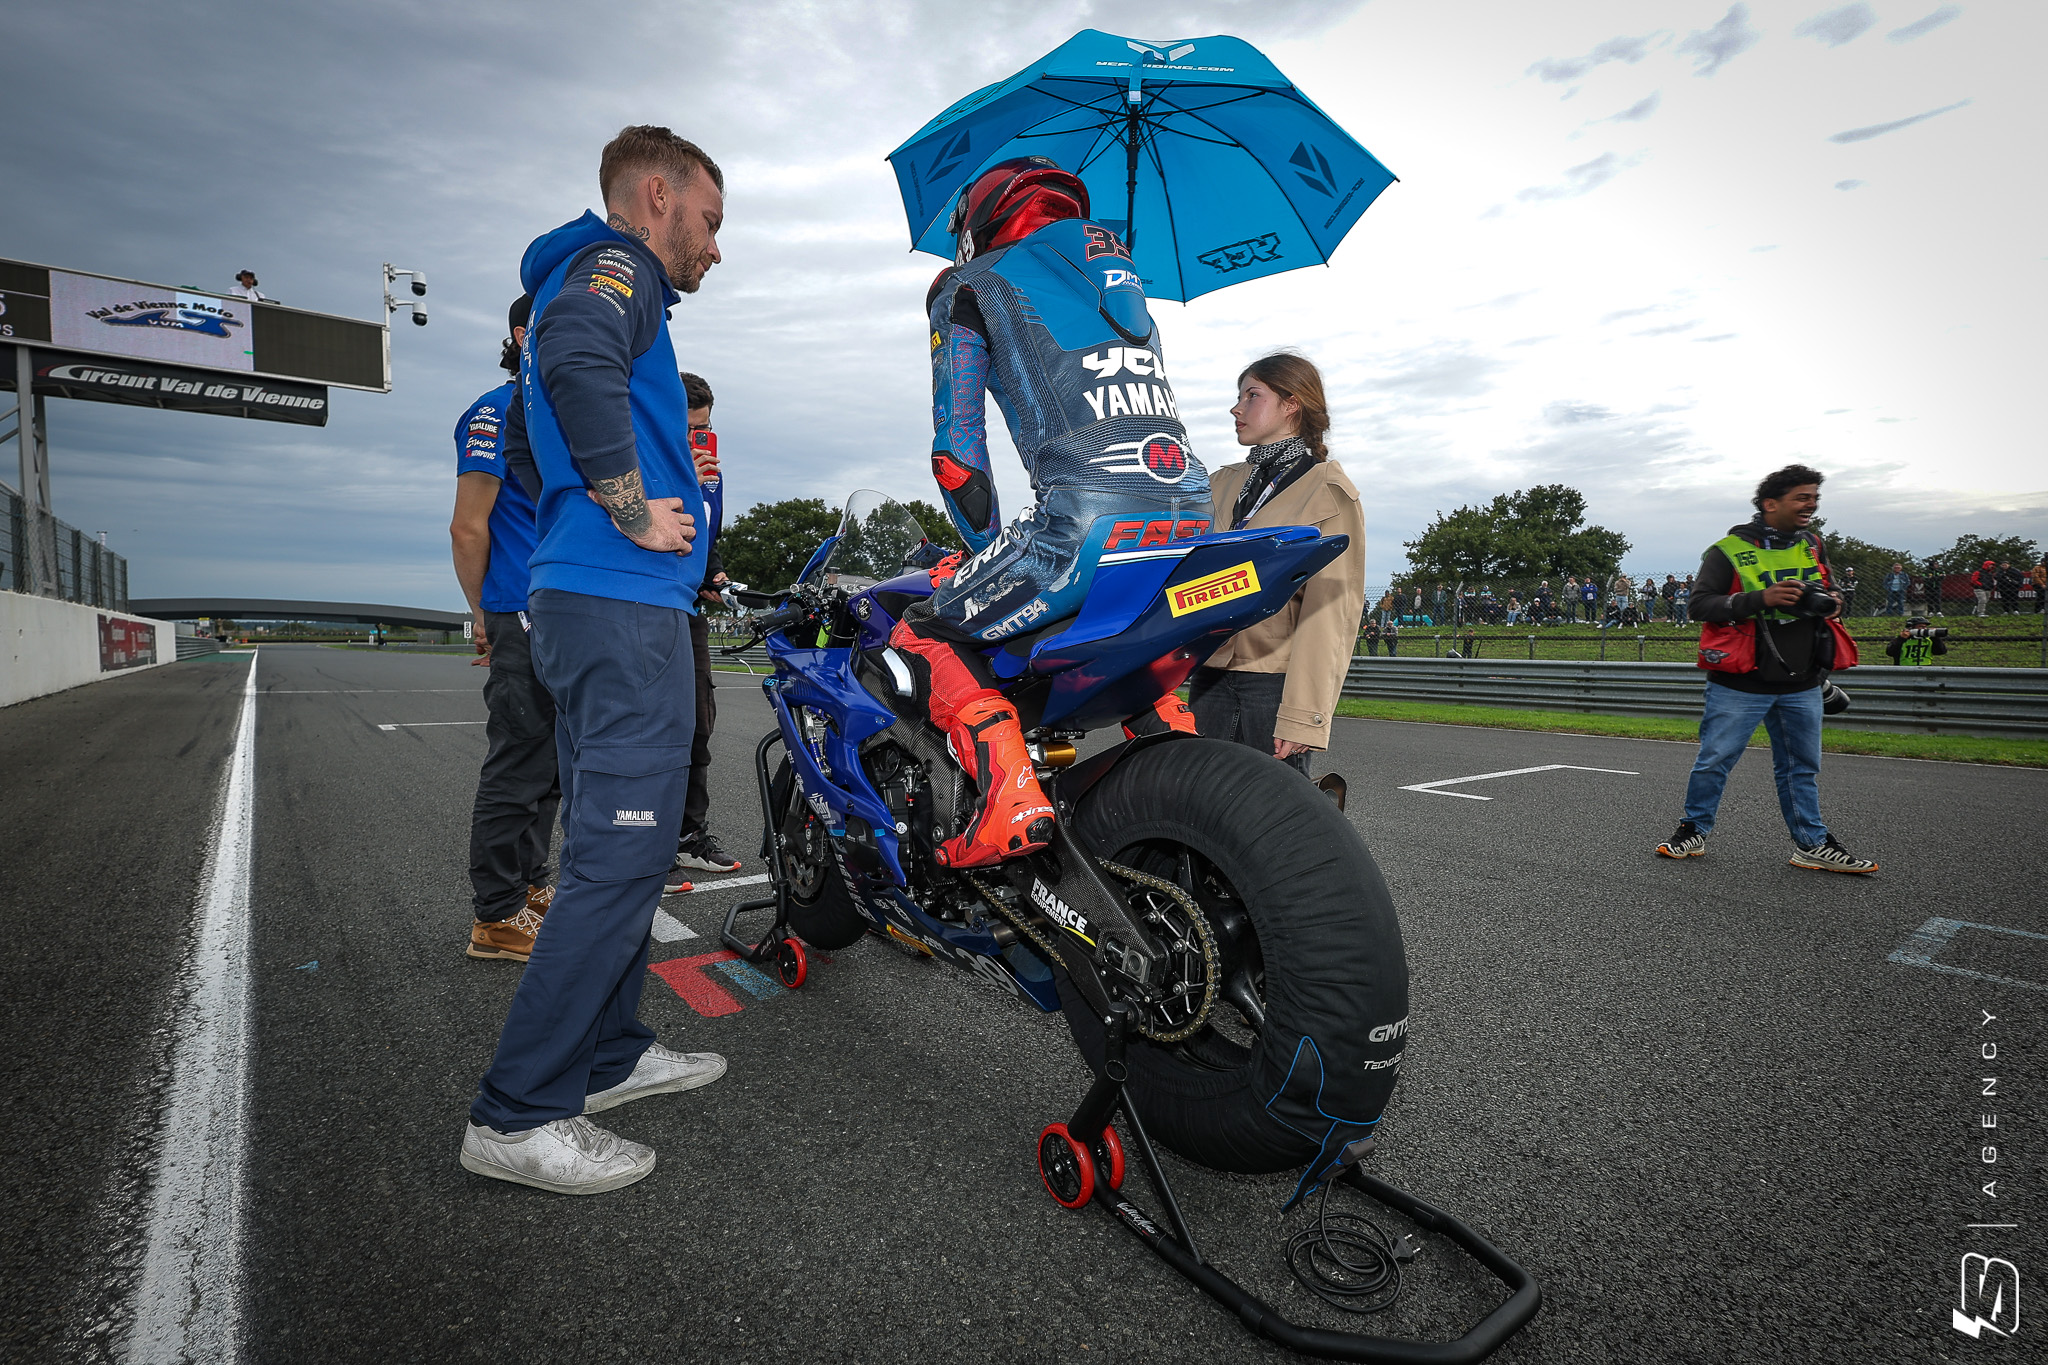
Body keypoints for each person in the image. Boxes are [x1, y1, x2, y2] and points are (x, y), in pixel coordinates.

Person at [463, 126, 728, 1197]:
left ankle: (608, 1054)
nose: (714, 246)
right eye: (708, 220)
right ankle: (518, 1112)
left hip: (599, 598)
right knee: (620, 854)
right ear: (657, 196)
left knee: (629, 843)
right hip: (618, 599)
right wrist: (628, 506)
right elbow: (574, 356)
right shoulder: (614, 268)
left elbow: (543, 432)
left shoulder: (586, 275)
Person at [890, 155, 1211, 869]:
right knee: (1135, 649)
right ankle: (1191, 766)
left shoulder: (967, 284)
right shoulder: (1126, 291)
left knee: (923, 630)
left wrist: (978, 553)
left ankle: (1009, 797)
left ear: (977, 223)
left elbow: (958, 457)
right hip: (1192, 516)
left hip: (1086, 527)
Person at [1656, 463, 1875, 873]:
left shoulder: (1812, 544)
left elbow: (1829, 587)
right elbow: (1699, 605)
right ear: (1770, 504)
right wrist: (1761, 598)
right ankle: (1693, 830)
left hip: (1804, 681)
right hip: (1739, 682)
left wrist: (1833, 600)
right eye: (1802, 497)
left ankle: (1812, 844)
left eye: (1814, 497)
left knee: (1800, 768)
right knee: (1714, 761)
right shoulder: (1727, 550)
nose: (1811, 504)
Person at [1193, 353, 1366, 779]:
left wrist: (1303, 714)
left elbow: (1331, 611)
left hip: (1274, 685)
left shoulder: (1328, 490)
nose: (1236, 408)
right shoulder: (1218, 483)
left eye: (1252, 396)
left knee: (1269, 811)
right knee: (1197, 802)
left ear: (1292, 404)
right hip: (1209, 674)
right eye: (1239, 397)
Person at [451, 294, 560, 962]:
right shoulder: (495, 410)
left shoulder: (548, 410)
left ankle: (527, 884)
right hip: (518, 606)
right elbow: (468, 526)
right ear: (524, 335)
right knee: (519, 761)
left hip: (556, 607)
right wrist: (483, 612)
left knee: (550, 765)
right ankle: (494, 915)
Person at [664, 370, 742, 889]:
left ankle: (689, 836)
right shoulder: (650, 461)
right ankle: (645, 849)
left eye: (705, 428)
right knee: (656, 729)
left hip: (689, 607)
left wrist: (713, 574)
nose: (699, 438)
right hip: (650, 606)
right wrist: (680, 478)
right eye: (689, 429)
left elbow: (705, 536)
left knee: (698, 722)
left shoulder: (710, 472)